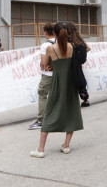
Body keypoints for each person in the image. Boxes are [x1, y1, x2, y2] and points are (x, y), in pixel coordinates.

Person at [30, 22, 83, 158]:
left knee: (49, 114)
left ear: (54, 33)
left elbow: (45, 64)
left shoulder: (50, 48)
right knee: (71, 113)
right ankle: (66, 145)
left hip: (57, 84)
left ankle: (41, 149)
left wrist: (51, 65)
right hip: (70, 84)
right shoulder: (71, 47)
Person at [29, 23, 56, 130]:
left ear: (46, 32)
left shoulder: (45, 45)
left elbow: (43, 64)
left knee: (42, 94)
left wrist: (43, 67)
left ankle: (41, 120)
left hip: (48, 75)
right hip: (59, 74)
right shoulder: (61, 43)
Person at [64, 22, 91, 107]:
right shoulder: (79, 40)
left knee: (68, 83)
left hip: (68, 66)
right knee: (81, 83)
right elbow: (88, 48)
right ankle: (85, 100)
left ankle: (69, 102)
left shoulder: (67, 41)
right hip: (77, 67)